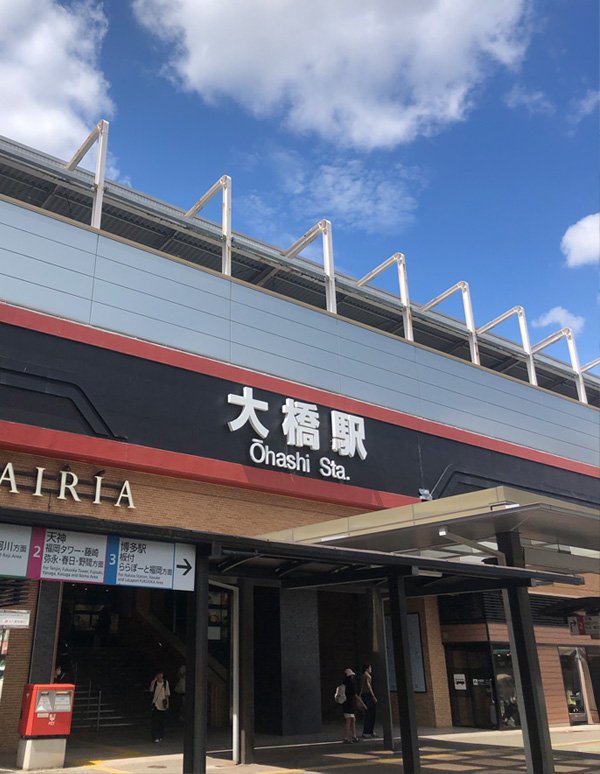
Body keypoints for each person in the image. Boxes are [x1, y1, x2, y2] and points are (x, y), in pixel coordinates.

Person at [341, 668, 366, 744]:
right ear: (351, 676)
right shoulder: (351, 684)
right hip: (350, 705)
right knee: (350, 721)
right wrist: (363, 704)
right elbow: (355, 695)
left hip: (345, 704)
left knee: (352, 720)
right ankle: (347, 737)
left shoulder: (344, 684)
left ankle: (354, 736)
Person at [149, 670, 170, 742]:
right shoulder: (154, 683)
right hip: (155, 704)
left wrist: (167, 704)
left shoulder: (165, 683)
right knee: (155, 721)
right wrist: (153, 682)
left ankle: (161, 735)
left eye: (161, 674)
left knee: (161, 721)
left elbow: (167, 694)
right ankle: (155, 736)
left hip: (162, 704)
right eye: (158, 674)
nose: (160, 676)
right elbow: (151, 691)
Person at [360, 663, 378, 738]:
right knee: (370, 713)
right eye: (370, 667)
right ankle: (368, 731)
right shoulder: (367, 676)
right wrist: (373, 696)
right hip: (368, 695)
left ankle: (369, 731)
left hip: (364, 695)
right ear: (367, 668)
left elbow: (362, 687)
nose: (371, 669)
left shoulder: (363, 676)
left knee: (368, 713)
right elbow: (368, 686)